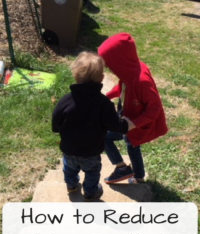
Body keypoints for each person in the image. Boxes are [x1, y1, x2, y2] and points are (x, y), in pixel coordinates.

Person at [52, 51, 134, 201]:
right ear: (102, 78)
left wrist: (59, 129)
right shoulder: (103, 103)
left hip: (69, 149)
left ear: (75, 75)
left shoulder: (66, 100)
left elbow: (55, 121)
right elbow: (115, 124)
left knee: (69, 169)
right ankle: (90, 193)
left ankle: (71, 185)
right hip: (91, 151)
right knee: (92, 173)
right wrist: (127, 125)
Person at [98, 32, 168, 184]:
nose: (108, 67)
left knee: (132, 146)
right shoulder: (128, 72)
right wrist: (106, 97)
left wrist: (133, 124)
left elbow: (154, 109)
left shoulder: (141, 81)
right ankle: (125, 169)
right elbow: (121, 87)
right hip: (126, 116)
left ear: (120, 61)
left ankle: (137, 176)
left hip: (135, 122)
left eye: (109, 63)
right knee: (107, 137)